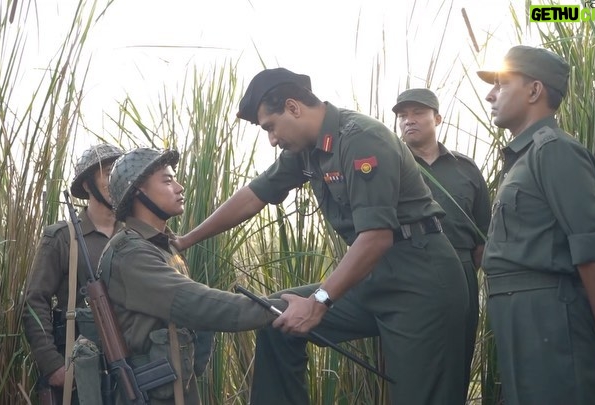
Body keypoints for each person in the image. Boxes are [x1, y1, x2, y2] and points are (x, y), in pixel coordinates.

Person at [174, 68, 470, 404]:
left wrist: (319, 302)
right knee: (276, 318)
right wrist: (184, 241)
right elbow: (254, 195)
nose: (271, 139)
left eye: (270, 126)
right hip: (373, 277)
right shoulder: (306, 149)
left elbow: (376, 237)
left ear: (293, 107)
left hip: (421, 279)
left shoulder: (361, 139)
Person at [477, 45, 595, 404]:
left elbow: (592, 248)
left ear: (534, 91)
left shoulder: (555, 151)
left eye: (501, 83)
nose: (490, 94)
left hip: (547, 314)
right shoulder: (524, 157)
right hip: (520, 315)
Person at [101, 147, 287, 405]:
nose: (179, 187)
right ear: (138, 192)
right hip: (149, 395)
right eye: (167, 181)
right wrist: (280, 309)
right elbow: (195, 303)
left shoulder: (160, 246)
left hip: (174, 387)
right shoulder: (131, 254)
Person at [393, 88, 491, 401]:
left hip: (461, 274)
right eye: (402, 115)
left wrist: (464, 275)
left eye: (417, 113)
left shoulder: (466, 169)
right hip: (406, 273)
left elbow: (482, 238)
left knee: (456, 363)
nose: (409, 121)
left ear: (437, 118)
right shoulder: (390, 167)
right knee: (411, 368)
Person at [23, 143, 124, 401]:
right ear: (88, 185)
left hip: (129, 364)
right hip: (80, 371)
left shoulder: (134, 237)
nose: (115, 179)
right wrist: (53, 364)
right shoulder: (62, 237)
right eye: (108, 172)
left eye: (119, 172)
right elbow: (35, 301)